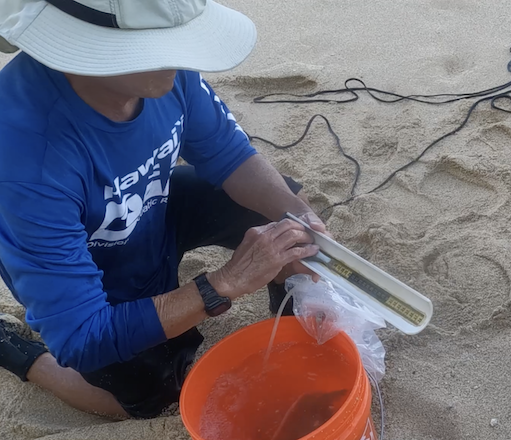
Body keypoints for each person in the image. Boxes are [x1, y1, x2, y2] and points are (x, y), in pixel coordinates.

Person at [0, 0, 330, 419]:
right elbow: (82, 335)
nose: (184, 55)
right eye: (161, 44)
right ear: (87, 47)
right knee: (151, 399)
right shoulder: (26, 160)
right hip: (93, 263)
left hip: (151, 205)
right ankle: (20, 356)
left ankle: (289, 327)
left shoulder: (165, 72)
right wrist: (224, 283)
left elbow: (229, 155)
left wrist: (300, 217)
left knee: (282, 219)